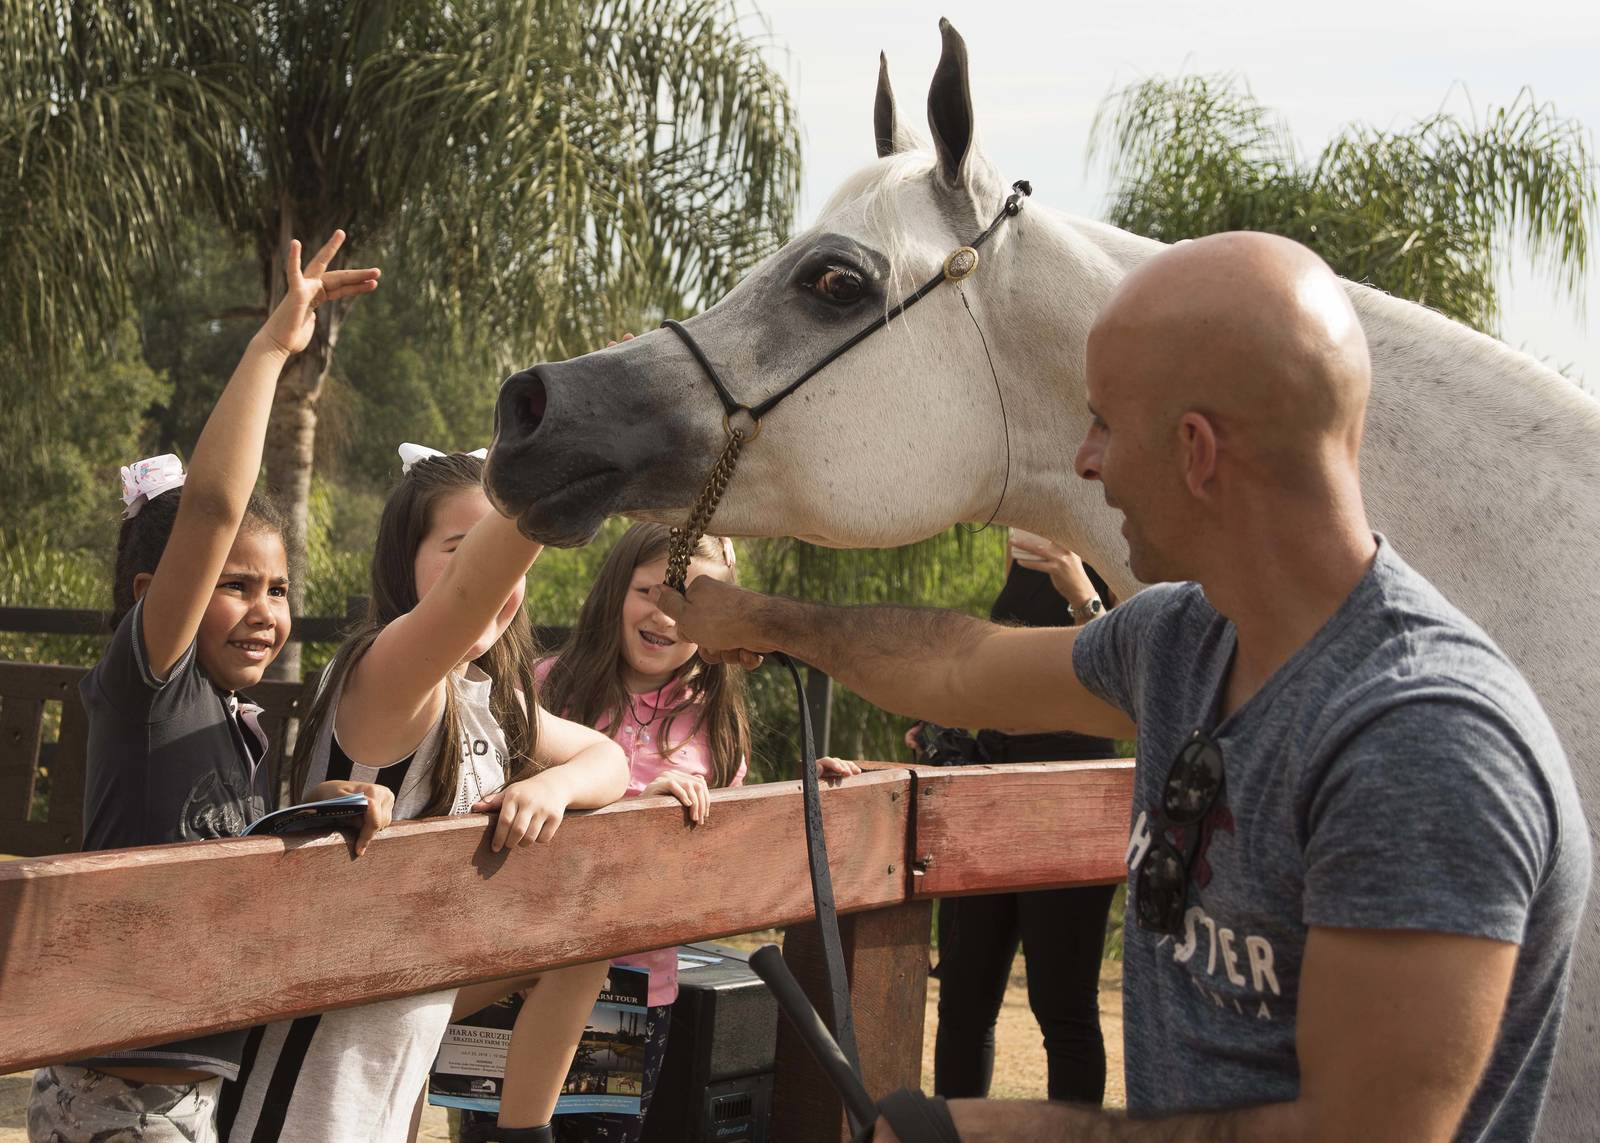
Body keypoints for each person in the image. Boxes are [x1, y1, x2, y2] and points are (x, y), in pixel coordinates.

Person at [653, 232, 1589, 1142]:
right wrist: (762, 619)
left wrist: (998, 1132)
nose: (1088, 459)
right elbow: (960, 665)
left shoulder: (1424, 744)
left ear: (1196, 450)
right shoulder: (1186, 637)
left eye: (1104, 421)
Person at [26, 233, 390, 1143]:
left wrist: (314, 808)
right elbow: (215, 506)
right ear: (161, 599)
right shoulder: (151, 688)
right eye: (234, 584)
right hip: (119, 1098)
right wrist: (272, 348)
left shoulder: (238, 724)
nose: (264, 609)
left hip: (192, 1096)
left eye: (276, 588)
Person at [221, 446, 630, 1143]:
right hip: (308, 1087)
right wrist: (550, 462)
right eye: (461, 550)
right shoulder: (385, 673)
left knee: (589, 937)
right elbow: (468, 600)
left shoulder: (491, 702)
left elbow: (609, 757)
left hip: (391, 1061)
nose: (494, 575)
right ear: (403, 563)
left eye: (494, 553)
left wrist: (555, 785)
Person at [469, 521, 855, 1143]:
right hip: (516, 971)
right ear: (615, 591)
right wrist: (633, 814)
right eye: (650, 590)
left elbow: (719, 857)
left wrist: (807, 794)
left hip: (631, 993)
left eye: (691, 602)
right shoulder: (544, 689)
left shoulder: (718, 729)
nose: (667, 615)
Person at [922, 530, 1119, 1106]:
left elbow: (1134, 677)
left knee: (1062, 1006)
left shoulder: (1120, 542)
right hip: (993, 790)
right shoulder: (1024, 544)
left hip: (1071, 802)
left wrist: (1077, 583)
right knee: (963, 999)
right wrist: (950, 721)